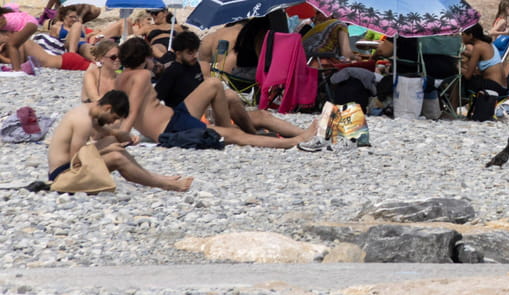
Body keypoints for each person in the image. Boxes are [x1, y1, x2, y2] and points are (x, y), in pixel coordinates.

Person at [111, 37, 314, 149]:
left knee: (214, 84)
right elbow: (133, 109)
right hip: (171, 127)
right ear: (145, 57)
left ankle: (229, 129)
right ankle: (293, 141)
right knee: (233, 134)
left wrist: (114, 132)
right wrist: (124, 135)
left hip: (175, 118)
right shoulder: (142, 76)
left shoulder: (120, 79)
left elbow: (121, 111)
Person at [48, 92, 192, 192]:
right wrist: (108, 151)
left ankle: (155, 177)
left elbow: (102, 133)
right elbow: (77, 159)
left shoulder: (88, 111)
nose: (113, 121)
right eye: (114, 117)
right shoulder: (83, 121)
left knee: (112, 141)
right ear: (107, 108)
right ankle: (164, 184)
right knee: (116, 157)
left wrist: (121, 135)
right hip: (63, 175)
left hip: (68, 166)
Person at [154, 30, 206, 108]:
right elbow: (156, 98)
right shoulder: (172, 72)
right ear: (178, 54)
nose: (195, 56)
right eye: (190, 53)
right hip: (181, 112)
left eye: (196, 51)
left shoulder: (194, 65)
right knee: (214, 84)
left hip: (199, 106)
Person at [460, 24, 508, 95]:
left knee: (459, 78)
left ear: (470, 35)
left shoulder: (478, 47)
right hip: (502, 87)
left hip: (493, 86)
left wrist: (456, 67)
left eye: (463, 34)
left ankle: (454, 103)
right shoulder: (487, 44)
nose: (461, 37)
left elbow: (468, 75)